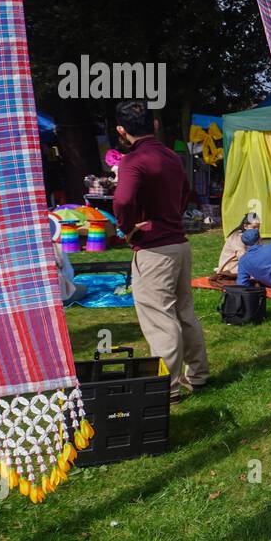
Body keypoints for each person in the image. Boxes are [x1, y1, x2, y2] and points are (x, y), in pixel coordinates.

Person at [112, 100, 209, 401]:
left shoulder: (132, 161)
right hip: (178, 244)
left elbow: (123, 201)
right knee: (184, 312)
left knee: (160, 319)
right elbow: (185, 191)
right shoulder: (170, 156)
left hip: (154, 250)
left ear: (121, 131)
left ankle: (166, 390)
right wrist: (171, 216)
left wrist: (128, 228)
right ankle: (199, 375)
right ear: (154, 125)